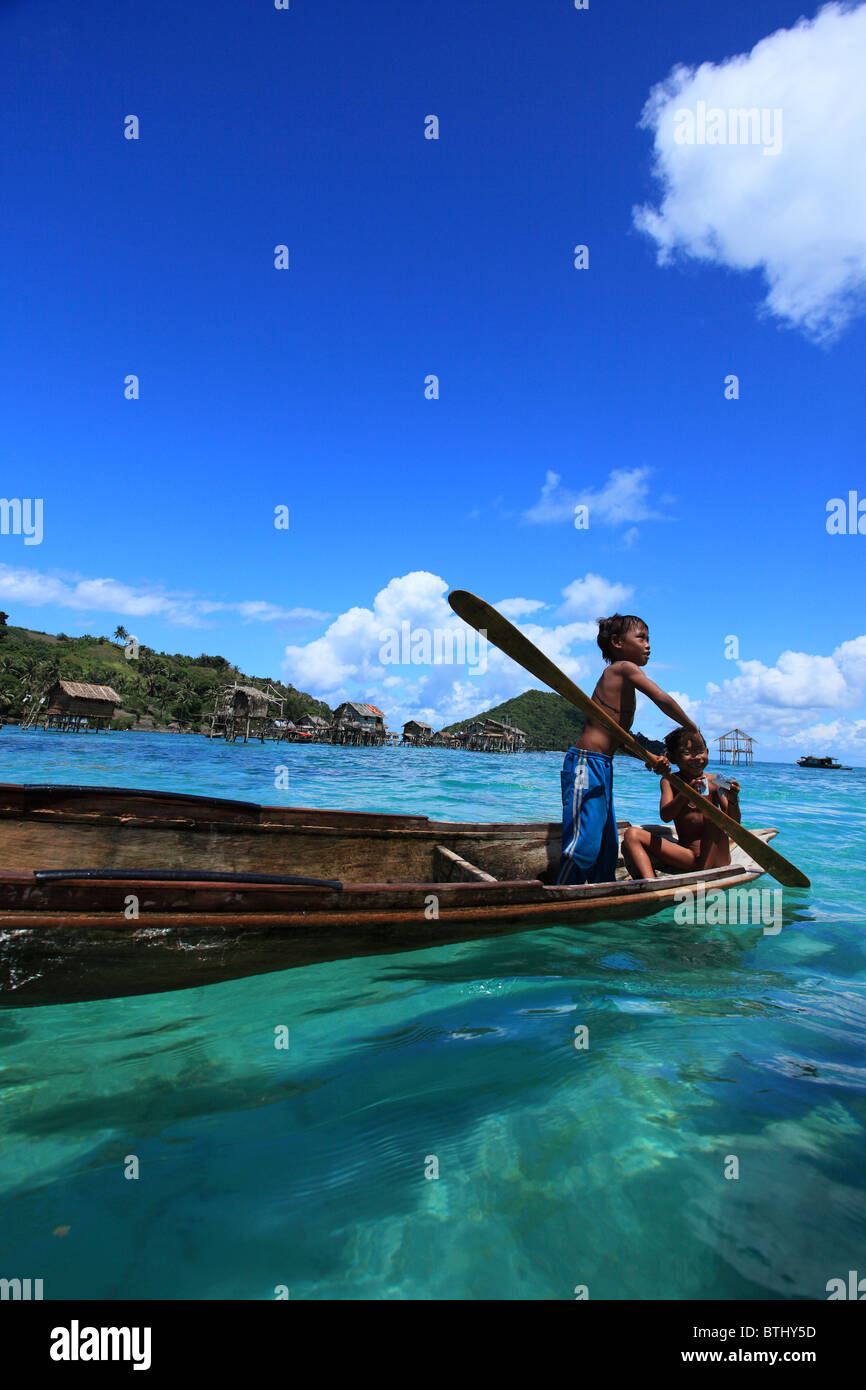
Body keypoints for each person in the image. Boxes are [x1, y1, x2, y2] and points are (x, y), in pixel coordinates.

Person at [556, 614, 699, 885]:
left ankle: (598, 897)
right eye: (641, 638)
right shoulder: (623, 668)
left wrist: (648, 756)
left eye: (648, 639)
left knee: (607, 849)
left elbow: (619, 739)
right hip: (586, 764)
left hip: (603, 766)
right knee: (584, 845)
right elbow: (661, 698)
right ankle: (559, 894)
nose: (648, 645)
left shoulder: (622, 687)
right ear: (618, 642)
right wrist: (690, 726)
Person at [621, 726, 741, 880]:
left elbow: (734, 823)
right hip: (690, 858)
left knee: (714, 816)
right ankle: (650, 882)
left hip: (718, 860)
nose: (696, 757)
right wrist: (685, 793)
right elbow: (665, 815)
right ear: (672, 758)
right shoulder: (670, 780)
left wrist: (733, 800)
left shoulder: (719, 779)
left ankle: (701, 877)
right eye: (686, 753)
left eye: (700, 751)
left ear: (707, 752)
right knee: (631, 834)